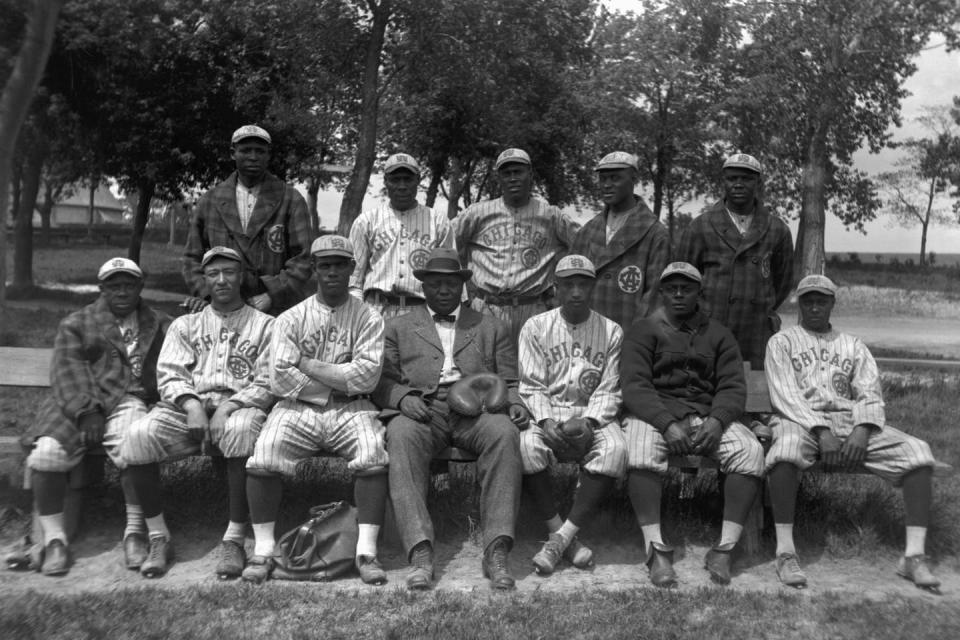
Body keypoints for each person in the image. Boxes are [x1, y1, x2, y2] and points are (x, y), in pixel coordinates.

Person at [764, 275, 940, 590]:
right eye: (808, 300)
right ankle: (785, 551)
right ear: (799, 303)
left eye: (821, 300)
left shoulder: (853, 345)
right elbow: (785, 396)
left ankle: (913, 557)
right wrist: (820, 430)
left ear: (832, 303)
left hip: (850, 422)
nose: (814, 306)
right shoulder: (782, 342)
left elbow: (869, 393)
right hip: (798, 420)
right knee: (785, 450)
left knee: (918, 452)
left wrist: (862, 430)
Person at [373, 247, 530, 591]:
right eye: (435, 283)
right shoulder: (398, 327)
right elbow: (382, 380)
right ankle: (420, 552)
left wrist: (515, 403)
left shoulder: (491, 326)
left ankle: (497, 548)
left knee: (504, 434)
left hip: (478, 410)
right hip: (424, 409)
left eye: (450, 283)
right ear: (423, 287)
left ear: (462, 286)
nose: (443, 290)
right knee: (400, 435)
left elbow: (511, 379)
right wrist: (402, 398)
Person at [242, 235, 390, 586]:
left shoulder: (370, 317)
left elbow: (367, 378)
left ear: (353, 268)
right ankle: (263, 550)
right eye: (325, 265)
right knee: (265, 452)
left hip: (353, 408)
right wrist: (337, 381)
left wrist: (306, 363)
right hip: (296, 408)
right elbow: (279, 378)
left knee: (372, 452)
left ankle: (366, 552)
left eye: (340, 264)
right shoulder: (291, 318)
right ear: (314, 270)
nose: (333, 272)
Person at [121, 247, 275, 579]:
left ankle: (234, 537)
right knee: (137, 436)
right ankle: (158, 536)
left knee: (241, 429)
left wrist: (229, 408)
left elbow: (269, 381)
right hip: (186, 409)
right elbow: (170, 374)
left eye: (230, 272)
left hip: (239, 406)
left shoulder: (266, 325)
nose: (221, 280)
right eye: (213, 273)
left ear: (243, 277)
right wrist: (192, 406)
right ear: (204, 280)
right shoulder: (185, 325)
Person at [21, 258, 170, 576]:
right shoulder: (78, 322)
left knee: (134, 445)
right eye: (114, 285)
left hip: (130, 398)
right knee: (46, 453)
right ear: (101, 289)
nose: (122, 292)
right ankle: (54, 538)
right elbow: (67, 369)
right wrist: (87, 411)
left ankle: (135, 531)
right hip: (78, 402)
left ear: (140, 287)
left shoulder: (156, 321)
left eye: (129, 285)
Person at [620, 262, 764, 587]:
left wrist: (717, 420)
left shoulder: (718, 333)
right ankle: (656, 549)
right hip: (655, 413)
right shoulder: (644, 329)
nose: (679, 294)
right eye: (672, 288)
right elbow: (634, 385)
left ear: (700, 292)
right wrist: (666, 423)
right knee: (640, 448)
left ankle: (724, 549)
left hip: (706, 415)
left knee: (749, 451)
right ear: (662, 292)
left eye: (687, 288)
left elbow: (732, 386)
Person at [518, 255, 627, 575]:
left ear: (593, 287)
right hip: (547, 413)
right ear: (556, 288)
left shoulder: (611, 330)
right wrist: (546, 420)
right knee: (525, 447)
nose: (576, 291)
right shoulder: (536, 326)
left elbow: (610, 389)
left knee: (615, 449)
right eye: (568, 284)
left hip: (592, 414)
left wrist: (591, 422)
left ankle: (560, 539)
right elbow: (530, 384)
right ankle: (560, 533)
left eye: (583, 284)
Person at [183, 124, 315, 315]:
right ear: (232, 153)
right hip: (221, 309)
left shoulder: (290, 199)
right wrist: (208, 295)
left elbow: (304, 259)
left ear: (268, 155)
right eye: (245, 150)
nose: (253, 157)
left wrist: (273, 294)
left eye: (260, 151)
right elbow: (191, 259)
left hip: (275, 310)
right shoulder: (210, 200)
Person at [677, 153, 794, 368]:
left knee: (755, 393)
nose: (738, 184)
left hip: (757, 331)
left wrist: (759, 305)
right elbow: (682, 281)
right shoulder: (701, 226)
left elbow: (783, 281)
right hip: (710, 329)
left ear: (758, 183)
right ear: (723, 182)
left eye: (746, 179)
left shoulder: (777, 229)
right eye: (732, 179)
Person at [455, 148, 580, 341]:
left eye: (518, 172)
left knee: (532, 369)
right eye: (507, 173)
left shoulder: (550, 215)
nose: (512, 178)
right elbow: (443, 244)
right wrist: (460, 294)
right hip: (486, 307)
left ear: (530, 174)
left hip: (533, 308)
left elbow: (585, 244)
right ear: (499, 178)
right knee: (482, 370)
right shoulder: (477, 213)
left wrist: (564, 287)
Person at [571, 151, 669, 329]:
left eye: (615, 178)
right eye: (603, 179)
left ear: (634, 179)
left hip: (629, 336)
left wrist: (638, 341)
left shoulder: (655, 233)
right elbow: (569, 285)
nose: (607, 185)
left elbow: (655, 296)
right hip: (586, 334)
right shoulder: (586, 232)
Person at [349, 152, 453, 319]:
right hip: (375, 308)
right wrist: (357, 316)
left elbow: (450, 274)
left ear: (418, 181)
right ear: (386, 182)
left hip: (421, 310)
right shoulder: (366, 221)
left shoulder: (438, 221)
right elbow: (354, 280)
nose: (402, 185)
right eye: (395, 179)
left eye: (408, 179)